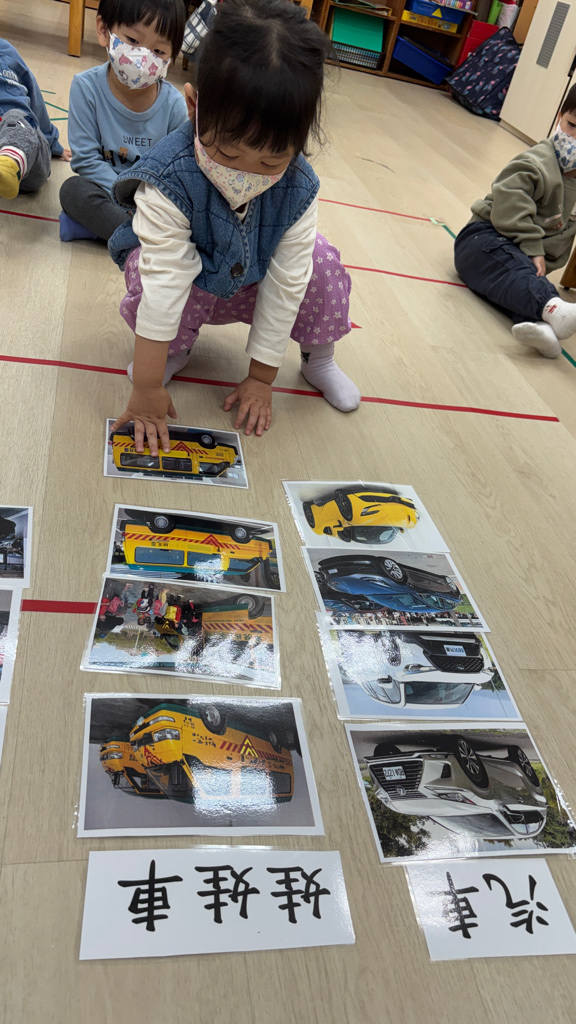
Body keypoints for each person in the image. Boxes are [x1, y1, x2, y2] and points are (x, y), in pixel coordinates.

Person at [108, 0, 360, 450]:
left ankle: (319, 359)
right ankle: (175, 349)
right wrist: (147, 387)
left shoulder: (300, 186)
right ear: (194, 106)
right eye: (227, 152)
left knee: (319, 263)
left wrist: (261, 379)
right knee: (148, 272)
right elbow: (165, 283)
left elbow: (287, 283)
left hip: (254, 282)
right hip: (196, 283)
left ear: (298, 143)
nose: (245, 172)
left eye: (271, 160)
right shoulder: (168, 178)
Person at [455, 85, 576, 359]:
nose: (575, 138)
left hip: (524, 265)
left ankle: (543, 327)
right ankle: (554, 309)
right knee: (515, 273)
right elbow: (509, 203)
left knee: (515, 286)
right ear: (560, 117)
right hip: (484, 239)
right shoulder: (538, 161)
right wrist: (532, 246)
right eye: (572, 125)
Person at [59, 0, 187, 243]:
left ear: (171, 56)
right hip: (105, 191)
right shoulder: (86, 88)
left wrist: (149, 205)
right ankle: (144, 243)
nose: (143, 58)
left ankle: (110, 234)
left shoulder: (174, 106)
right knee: (73, 190)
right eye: (133, 40)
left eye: (158, 51)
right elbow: (86, 161)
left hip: (153, 204)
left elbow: (177, 175)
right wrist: (127, 201)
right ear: (104, 30)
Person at [0, 38, 71, 199]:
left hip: (29, 159)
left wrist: (52, 143)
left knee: (16, 117)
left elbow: (36, 102)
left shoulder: (6, 53)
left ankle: (10, 162)